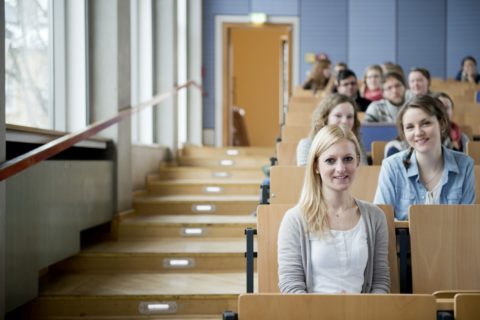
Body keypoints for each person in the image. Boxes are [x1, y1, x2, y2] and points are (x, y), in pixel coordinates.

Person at [278, 124, 390, 294]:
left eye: (348, 159)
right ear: (316, 165)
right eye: (330, 160)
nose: (341, 168)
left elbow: (380, 282)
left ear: (358, 161)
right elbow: (291, 287)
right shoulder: (295, 219)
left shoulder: (375, 217)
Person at [374, 95, 475, 221]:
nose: (418, 133)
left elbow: (467, 222)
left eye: (425, 123)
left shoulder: (465, 165)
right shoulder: (391, 166)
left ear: (442, 123)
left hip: (453, 240)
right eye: (410, 127)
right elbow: (380, 220)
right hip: (406, 241)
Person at [296, 93, 367, 166]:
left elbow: (364, 174)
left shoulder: (358, 145)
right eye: (338, 116)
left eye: (349, 117)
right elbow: (306, 175)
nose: (344, 121)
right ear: (325, 118)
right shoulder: (307, 145)